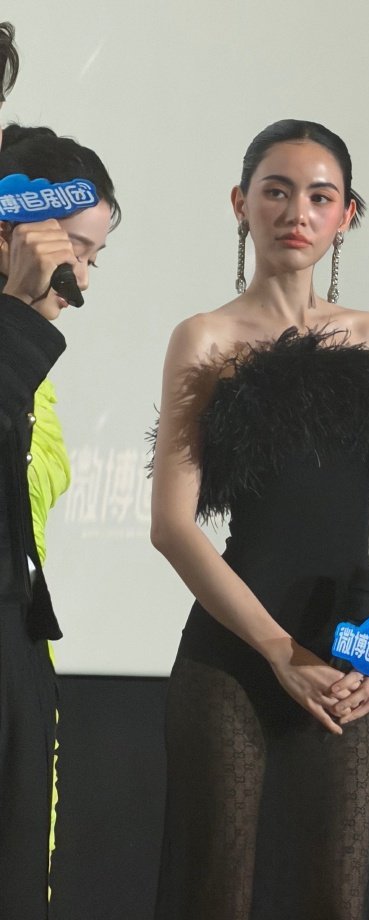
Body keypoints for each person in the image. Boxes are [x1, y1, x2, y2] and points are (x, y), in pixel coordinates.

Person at [150, 118, 369, 920]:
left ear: (347, 215)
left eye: (320, 196)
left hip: (344, 661)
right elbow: (172, 524)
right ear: (240, 203)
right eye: (276, 191)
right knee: (215, 897)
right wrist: (278, 648)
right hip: (231, 657)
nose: (296, 212)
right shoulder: (206, 338)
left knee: (334, 901)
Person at [0, 125, 120, 920]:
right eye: (76, 249)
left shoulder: (33, 357)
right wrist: (15, 312)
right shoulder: (18, 335)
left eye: (95, 258)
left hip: (19, 639)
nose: (82, 279)